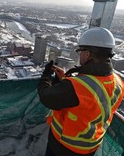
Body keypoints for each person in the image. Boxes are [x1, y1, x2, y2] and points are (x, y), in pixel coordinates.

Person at [38, 27, 124, 156]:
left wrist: (46, 76)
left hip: (64, 148)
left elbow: (46, 97)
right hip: (91, 146)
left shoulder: (76, 87)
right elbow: (92, 99)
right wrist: (66, 80)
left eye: (80, 52)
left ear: (87, 54)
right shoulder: (118, 81)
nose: (80, 55)